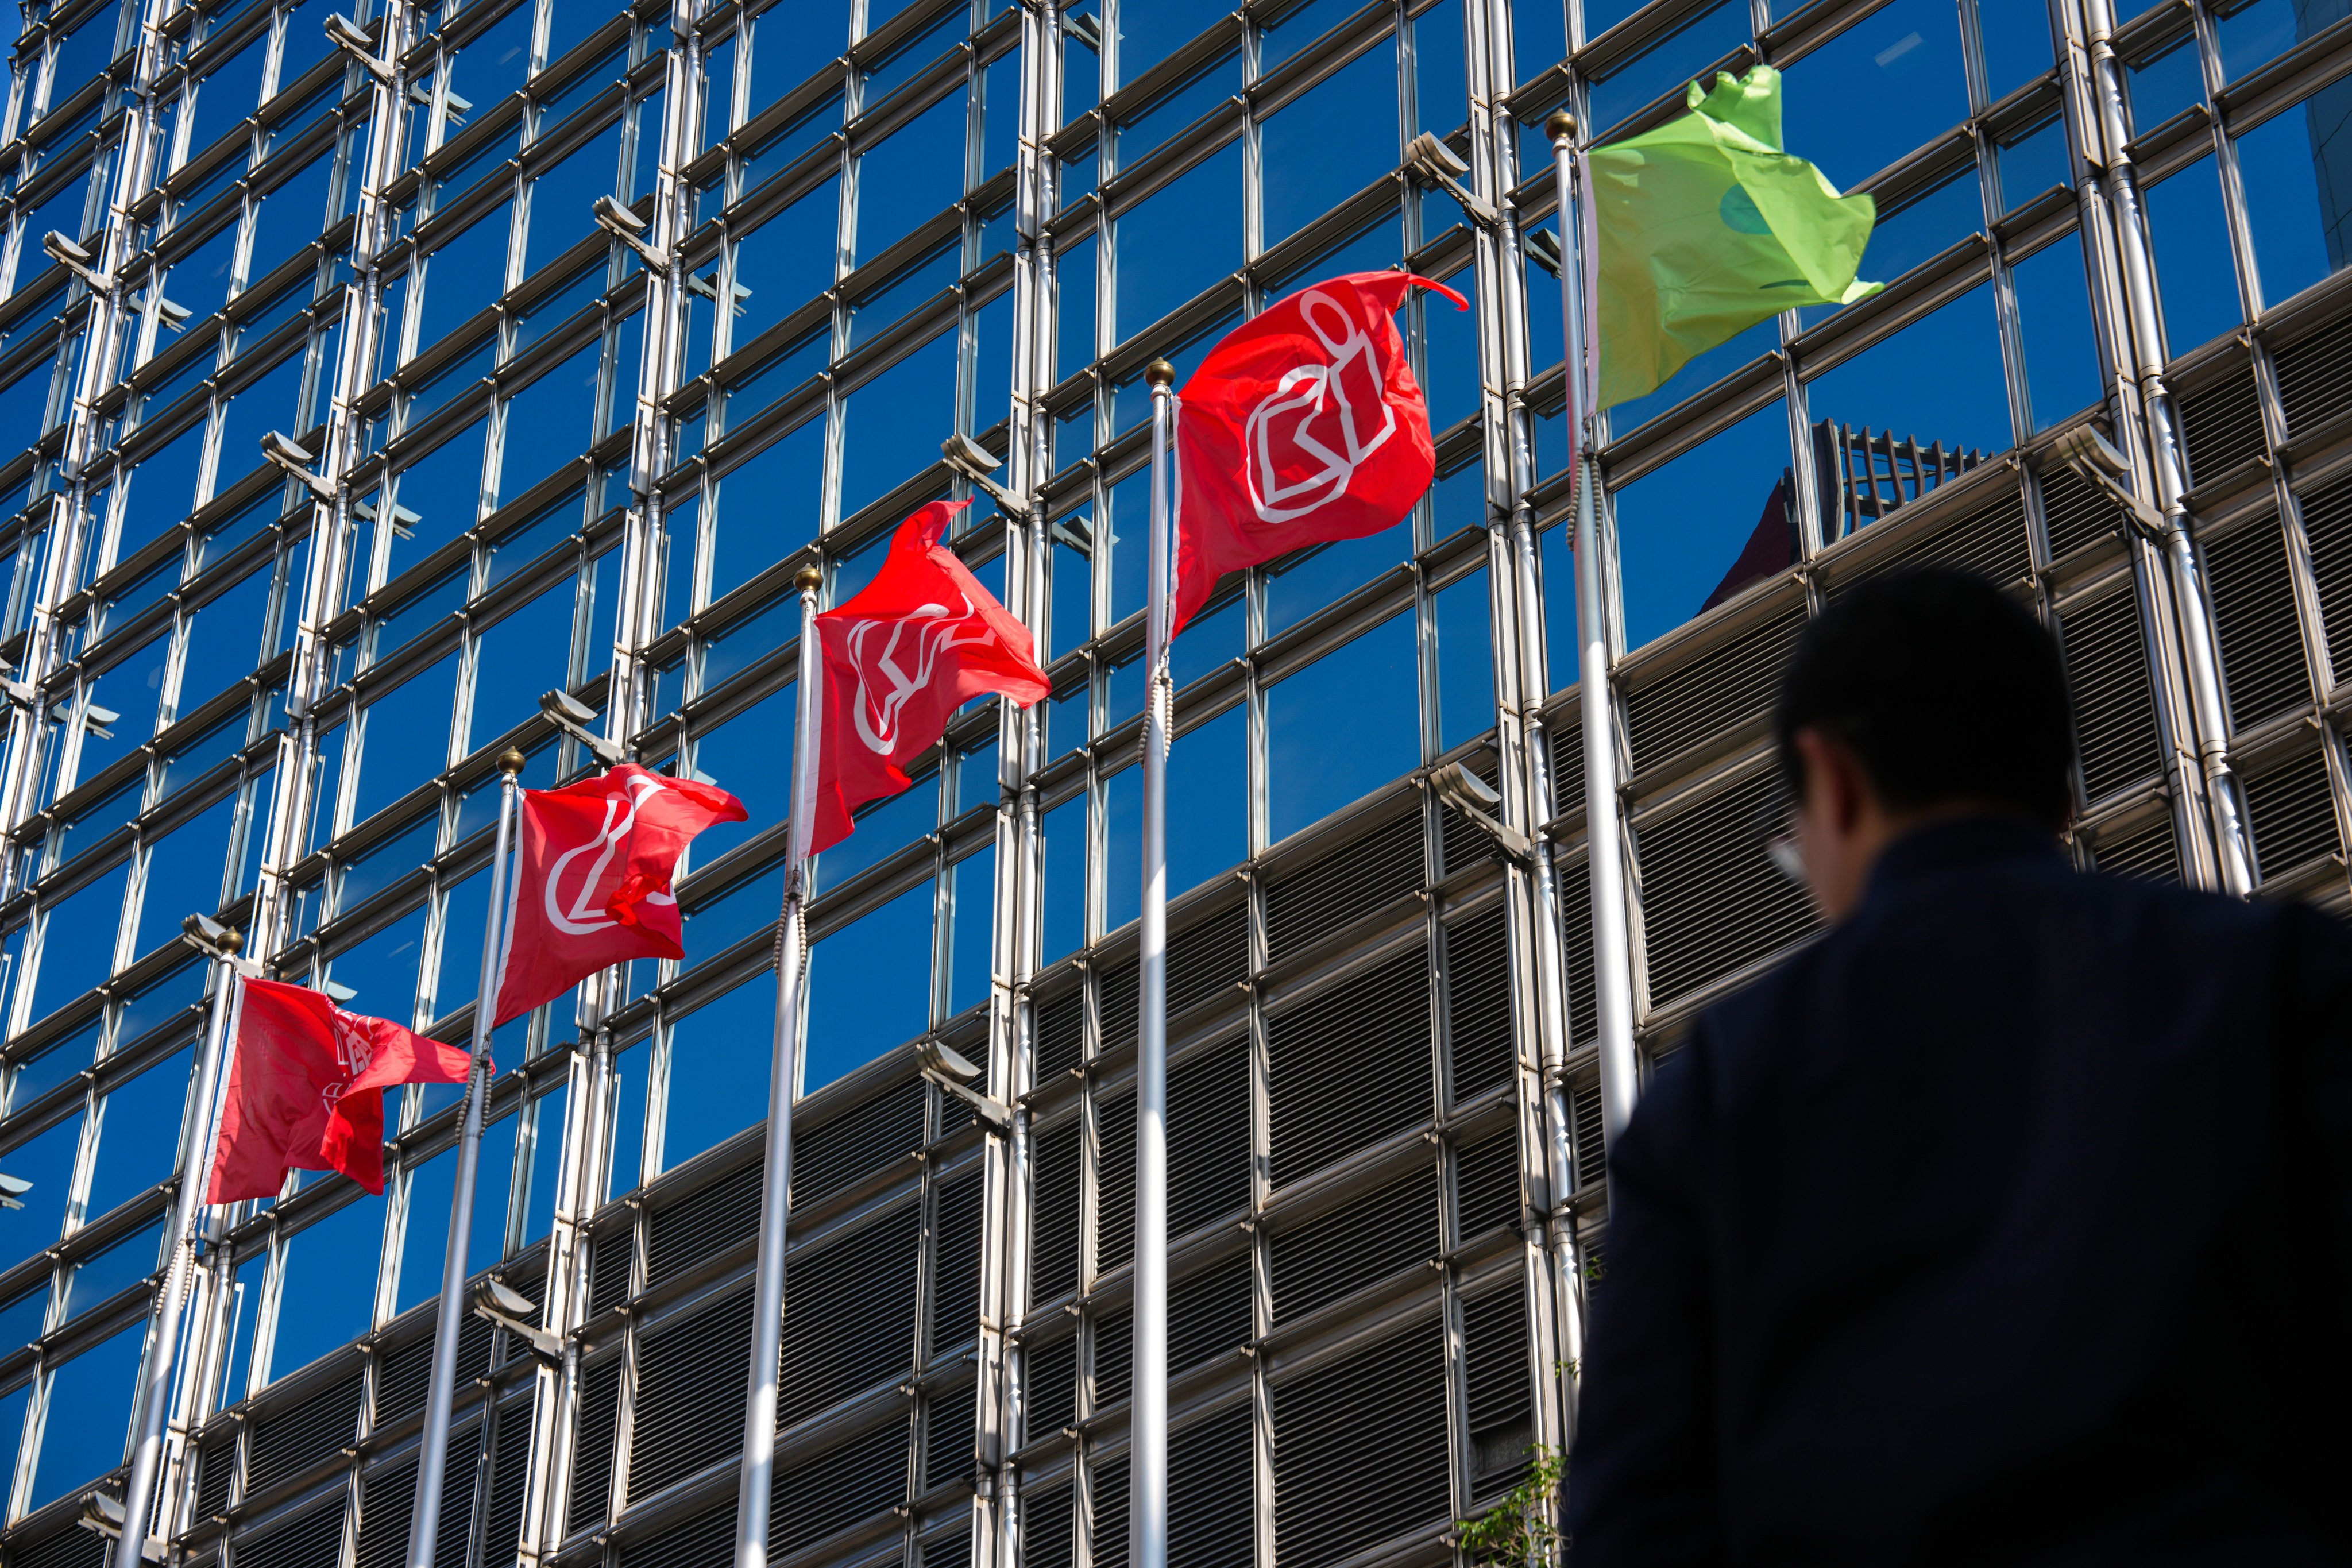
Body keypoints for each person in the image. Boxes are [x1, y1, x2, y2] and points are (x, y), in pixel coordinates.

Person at [1566, 568, 2352, 1565]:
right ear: (2062, 790)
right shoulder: (2281, 981)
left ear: (1836, 781)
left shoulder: (1716, 1095)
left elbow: (1638, 1521)